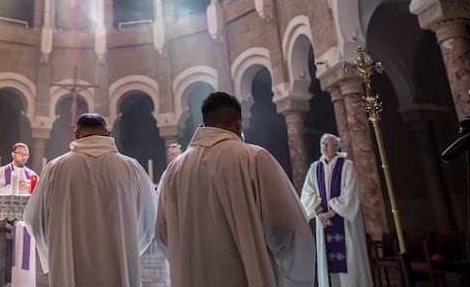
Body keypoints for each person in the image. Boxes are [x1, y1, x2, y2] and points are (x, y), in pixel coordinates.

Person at [156, 91, 315, 287]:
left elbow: (163, 234)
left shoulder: (173, 171)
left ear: (203, 124)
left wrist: (191, 262)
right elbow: (286, 228)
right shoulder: (254, 158)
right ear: (239, 124)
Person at [24, 113, 157, 287]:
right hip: (119, 264)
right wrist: (129, 248)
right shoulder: (131, 167)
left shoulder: (55, 168)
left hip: (69, 265)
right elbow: (151, 220)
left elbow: (33, 220)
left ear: (76, 134)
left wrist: (58, 251)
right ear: (108, 134)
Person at [300, 133, 373, 287]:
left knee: (351, 260)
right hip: (324, 223)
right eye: (322, 144)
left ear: (337, 147)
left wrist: (332, 212)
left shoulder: (347, 166)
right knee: (328, 265)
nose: (325, 147)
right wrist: (320, 213)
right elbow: (307, 193)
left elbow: (351, 192)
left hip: (345, 223)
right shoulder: (315, 168)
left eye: (329, 144)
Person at [0, 142, 37, 286]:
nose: (24, 157)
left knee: (21, 257)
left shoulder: (32, 175)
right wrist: (16, 185)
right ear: (13, 154)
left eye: (26, 155)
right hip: (3, 223)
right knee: (0, 257)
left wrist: (31, 188)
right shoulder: (2, 172)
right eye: (21, 154)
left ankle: (20, 283)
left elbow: (38, 195)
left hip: (23, 225)